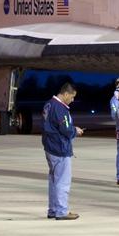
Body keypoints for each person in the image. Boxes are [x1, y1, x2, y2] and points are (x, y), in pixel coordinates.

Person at [42, 81, 85, 220]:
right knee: (62, 181)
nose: (72, 100)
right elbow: (66, 129)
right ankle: (61, 211)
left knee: (54, 181)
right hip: (59, 149)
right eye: (72, 97)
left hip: (50, 147)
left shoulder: (49, 104)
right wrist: (75, 131)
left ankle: (53, 209)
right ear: (65, 94)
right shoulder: (60, 108)